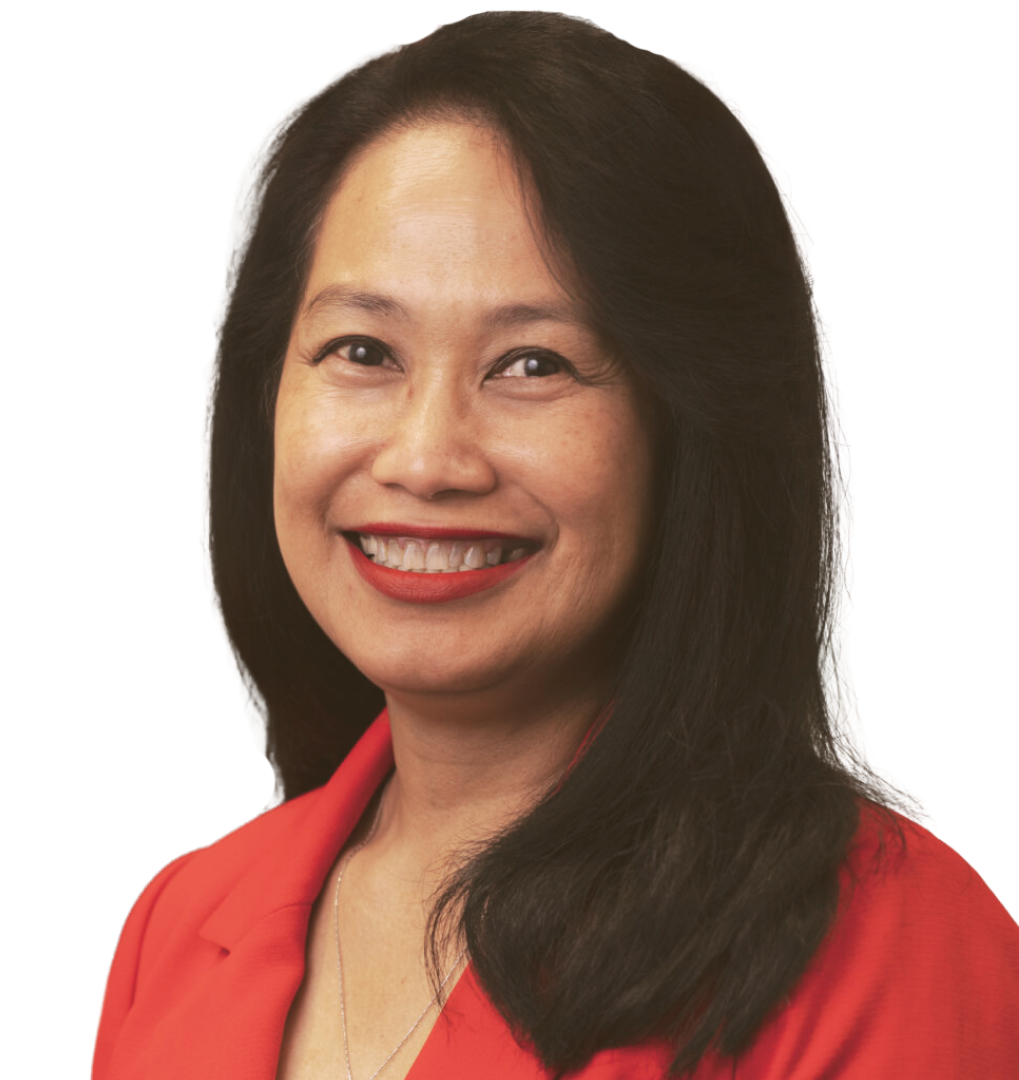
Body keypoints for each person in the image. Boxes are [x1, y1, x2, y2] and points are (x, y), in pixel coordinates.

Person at [92, 12, 1019, 1079]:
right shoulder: (178, 927)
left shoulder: (889, 950)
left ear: (690, 427)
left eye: (534, 364)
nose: (427, 458)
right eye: (362, 350)